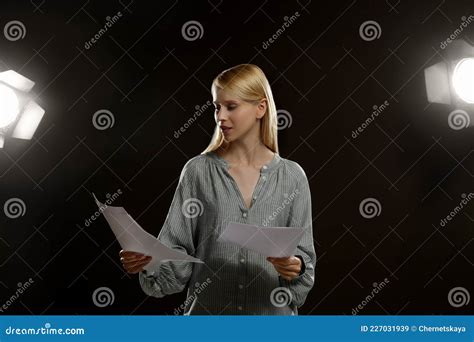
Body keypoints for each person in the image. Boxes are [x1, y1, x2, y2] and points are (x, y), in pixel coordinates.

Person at [119, 64, 316, 315]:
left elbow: (304, 270)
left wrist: (295, 268)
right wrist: (149, 261)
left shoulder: (293, 177)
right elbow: (175, 264)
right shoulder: (197, 171)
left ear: (261, 108)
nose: (220, 116)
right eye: (216, 107)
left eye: (231, 106)